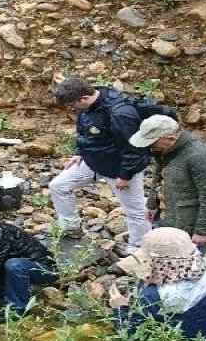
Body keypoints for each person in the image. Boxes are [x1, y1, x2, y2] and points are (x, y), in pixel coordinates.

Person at [48, 77, 151, 253]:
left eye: (72, 105)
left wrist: (126, 175)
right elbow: (84, 132)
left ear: (84, 97)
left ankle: (138, 249)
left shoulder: (120, 113)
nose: (71, 109)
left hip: (119, 168)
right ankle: (71, 227)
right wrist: (79, 153)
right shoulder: (86, 107)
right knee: (58, 186)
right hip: (93, 161)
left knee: (135, 211)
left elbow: (134, 149)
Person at [129, 115, 206, 251]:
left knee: (190, 268)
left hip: (186, 225)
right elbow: (158, 176)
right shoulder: (165, 149)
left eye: (152, 143)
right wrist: (151, 204)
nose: (149, 147)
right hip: (166, 216)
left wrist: (202, 232)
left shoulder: (200, 155)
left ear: (171, 138)